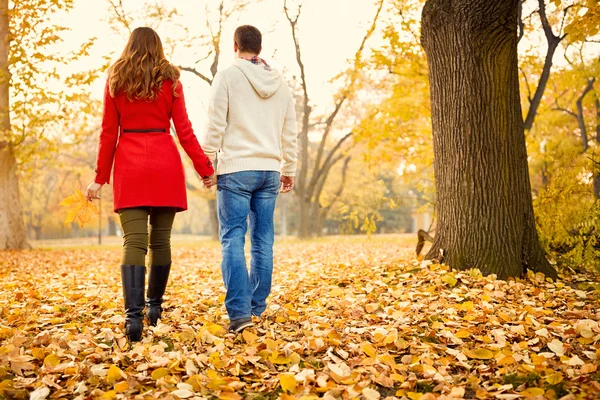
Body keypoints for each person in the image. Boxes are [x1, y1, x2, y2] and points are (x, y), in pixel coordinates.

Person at [85, 27, 214, 342]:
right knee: (160, 242)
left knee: (134, 243)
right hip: (165, 165)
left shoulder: (116, 80)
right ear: (158, 46)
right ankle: (154, 308)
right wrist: (204, 168)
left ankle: (133, 319)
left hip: (130, 165)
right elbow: (184, 129)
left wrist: (99, 178)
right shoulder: (170, 80)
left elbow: (107, 133)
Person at [201, 25, 298, 333]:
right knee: (263, 242)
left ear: (235, 45)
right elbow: (290, 131)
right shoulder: (280, 84)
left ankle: (240, 314)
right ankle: (256, 307)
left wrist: (206, 161)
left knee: (232, 238)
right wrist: (289, 168)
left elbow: (215, 122)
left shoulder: (228, 76)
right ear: (259, 47)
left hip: (236, 170)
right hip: (269, 171)